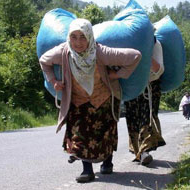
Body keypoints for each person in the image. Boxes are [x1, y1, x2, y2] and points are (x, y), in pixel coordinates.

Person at [39, 18, 142, 183]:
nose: (78, 42)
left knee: (105, 134)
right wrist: (54, 81)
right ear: (69, 37)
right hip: (78, 101)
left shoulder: (100, 52)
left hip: (104, 99)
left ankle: (107, 163)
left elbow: (135, 56)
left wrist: (115, 75)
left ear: (90, 37)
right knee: (79, 135)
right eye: (74, 37)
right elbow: (44, 61)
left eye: (82, 37)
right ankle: (87, 171)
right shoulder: (64, 52)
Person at [124, 37, 166, 166]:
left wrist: (145, 55)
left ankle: (144, 150)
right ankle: (138, 151)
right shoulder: (126, 43)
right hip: (132, 85)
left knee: (147, 117)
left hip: (151, 86)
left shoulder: (155, 44)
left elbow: (159, 70)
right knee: (132, 118)